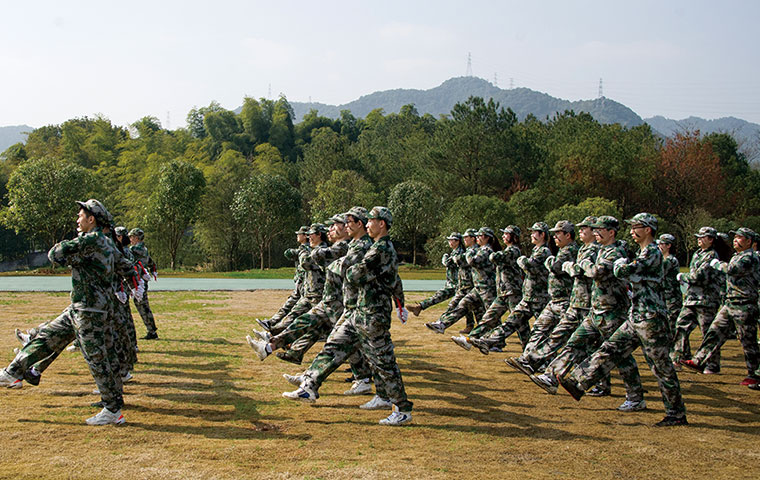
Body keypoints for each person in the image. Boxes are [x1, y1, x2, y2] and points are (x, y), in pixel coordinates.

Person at [0, 200, 125, 425]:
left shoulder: (91, 239)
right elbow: (122, 265)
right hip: (81, 308)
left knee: (97, 359)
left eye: (80, 216)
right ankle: (13, 371)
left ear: (91, 219)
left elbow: (55, 254)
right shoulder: (106, 242)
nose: (77, 220)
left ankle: (113, 410)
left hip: (89, 310)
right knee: (48, 336)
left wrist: (70, 253)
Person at [284, 207, 412, 426]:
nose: (368, 224)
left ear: (382, 224)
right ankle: (310, 386)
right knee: (334, 344)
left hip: (373, 315)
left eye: (371, 221)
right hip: (359, 312)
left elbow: (354, 273)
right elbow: (360, 273)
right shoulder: (374, 248)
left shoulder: (381, 249)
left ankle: (402, 409)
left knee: (384, 363)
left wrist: (347, 269)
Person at [558, 213, 687, 427]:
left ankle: (676, 413)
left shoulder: (653, 252)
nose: (633, 230)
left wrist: (620, 264)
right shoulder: (642, 251)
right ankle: (578, 383)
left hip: (651, 318)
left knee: (661, 367)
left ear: (648, 230)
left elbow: (624, 270)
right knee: (610, 348)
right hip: (636, 315)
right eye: (632, 226)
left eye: (638, 226)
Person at [530, 216, 644, 407]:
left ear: (611, 232)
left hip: (612, 310)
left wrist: (582, 266)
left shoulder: (615, 252)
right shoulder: (601, 251)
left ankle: (635, 396)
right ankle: (552, 376)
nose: (596, 232)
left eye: (600, 229)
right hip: (595, 309)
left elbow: (597, 272)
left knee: (619, 356)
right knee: (574, 342)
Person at [247, 214, 350, 365]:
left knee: (343, 337)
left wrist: (302, 251)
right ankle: (276, 346)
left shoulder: (328, 249)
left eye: (311, 234)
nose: (308, 237)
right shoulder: (326, 249)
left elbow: (307, 263)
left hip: (325, 297)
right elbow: (292, 255)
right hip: (321, 296)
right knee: (309, 326)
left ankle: (362, 375)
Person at [510, 217, 598, 377]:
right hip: (572, 301)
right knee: (553, 333)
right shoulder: (581, 250)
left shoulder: (580, 250)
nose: (555, 237)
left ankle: (593, 379)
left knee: (583, 343)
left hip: (581, 302)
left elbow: (557, 267)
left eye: (558, 233)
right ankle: (531, 361)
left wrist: (553, 262)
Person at [682, 227, 760, 389]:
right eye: (735, 237)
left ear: (749, 242)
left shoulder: (749, 258)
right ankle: (699, 361)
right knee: (714, 332)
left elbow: (733, 270)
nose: (736, 240)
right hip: (730, 303)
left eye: (740, 237)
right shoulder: (738, 256)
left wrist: (717, 264)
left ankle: (754, 374)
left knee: (748, 341)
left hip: (744, 304)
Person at [469, 222, 554, 355]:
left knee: (539, 329)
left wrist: (522, 260)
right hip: (522, 295)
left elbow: (527, 264)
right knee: (513, 322)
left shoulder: (540, 251)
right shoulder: (534, 251)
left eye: (534, 232)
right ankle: (483, 340)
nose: (503, 236)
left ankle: (537, 356)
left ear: (542, 234)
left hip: (533, 296)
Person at [452, 225, 522, 350]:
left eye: (506, 234)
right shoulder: (506, 250)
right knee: (489, 317)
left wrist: (471, 254)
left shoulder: (513, 251)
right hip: (503, 291)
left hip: (512, 292)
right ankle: (469, 340)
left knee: (519, 324)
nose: (503, 236)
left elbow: (493, 257)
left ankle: (531, 352)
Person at [671, 227, 727, 373]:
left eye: (703, 237)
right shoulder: (698, 254)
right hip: (692, 299)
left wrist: (683, 276)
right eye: (699, 237)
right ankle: (679, 358)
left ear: (711, 240)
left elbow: (698, 277)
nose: (699, 239)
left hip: (706, 300)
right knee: (680, 327)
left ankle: (712, 365)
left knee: (707, 333)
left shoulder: (711, 256)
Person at [408, 233, 475, 333]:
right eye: (449, 240)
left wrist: (445, 258)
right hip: (452, 283)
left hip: (457, 284)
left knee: (454, 303)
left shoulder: (460, 252)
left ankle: (439, 322)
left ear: (458, 241)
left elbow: (449, 263)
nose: (450, 242)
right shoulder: (454, 252)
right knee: (463, 304)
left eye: (453, 240)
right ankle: (421, 308)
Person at [424, 229, 484, 334]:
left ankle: (489, 337)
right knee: (464, 307)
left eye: (466, 237)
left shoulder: (475, 251)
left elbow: (461, 261)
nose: (464, 239)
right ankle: (441, 324)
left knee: (479, 312)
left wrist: (453, 258)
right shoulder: (470, 251)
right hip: (466, 286)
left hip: (471, 286)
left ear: (473, 238)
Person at [257, 226, 310, 331]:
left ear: (305, 236)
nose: (297, 236)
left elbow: (289, 253)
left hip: (306, 283)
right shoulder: (302, 249)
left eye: (299, 234)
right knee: (293, 305)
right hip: (301, 282)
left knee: (299, 308)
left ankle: (278, 326)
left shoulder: (307, 249)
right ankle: (273, 322)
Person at [129, 228, 159, 340]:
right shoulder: (144, 249)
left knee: (142, 306)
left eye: (132, 237)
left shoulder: (134, 249)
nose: (130, 239)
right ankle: (152, 329)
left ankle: (151, 331)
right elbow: (150, 261)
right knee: (144, 305)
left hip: (138, 281)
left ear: (136, 238)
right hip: (142, 280)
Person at [657, 234, 682, 341]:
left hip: (672, 298)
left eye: (662, 244)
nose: (659, 246)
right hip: (665, 297)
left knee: (672, 327)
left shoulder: (670, 260)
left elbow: (657, 271)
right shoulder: (663, 259)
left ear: (669, 246)